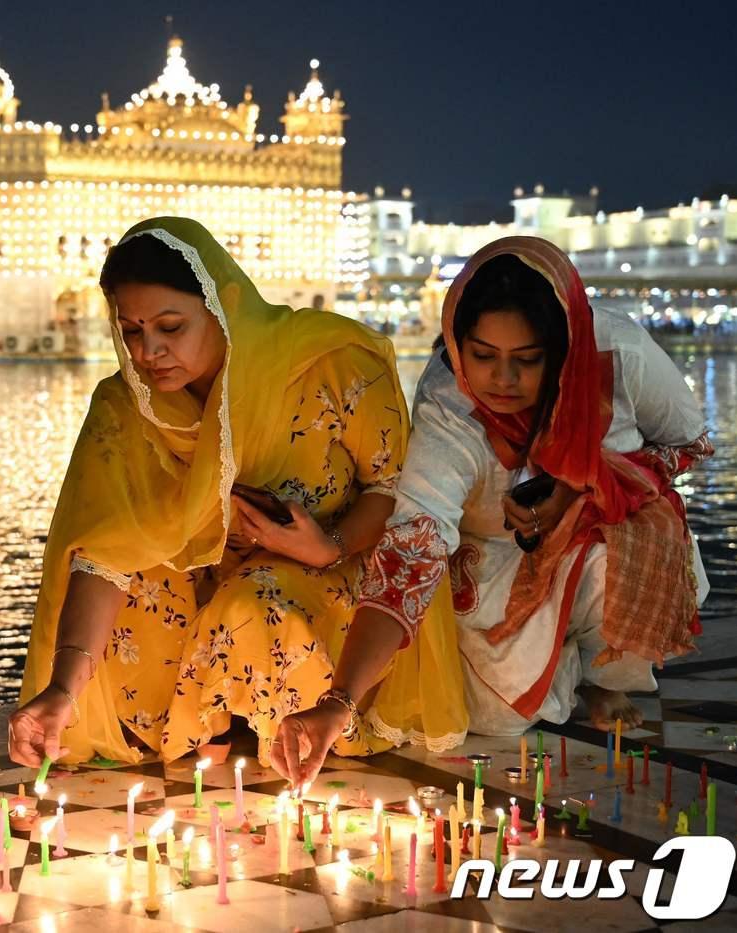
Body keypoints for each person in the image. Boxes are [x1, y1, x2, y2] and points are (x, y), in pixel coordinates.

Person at [8, 217, 466, 772]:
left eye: (170, 327)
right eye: (131, 331)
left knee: (254, 600)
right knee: (134, 578)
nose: (149, 351)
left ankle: (299, 723)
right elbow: (105, 551)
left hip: (329, 573)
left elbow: (395, 492)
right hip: (204, 580)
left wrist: (328, 544)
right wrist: (62, 687)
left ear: (221, 306)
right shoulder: (128, 405)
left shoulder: (330, 364)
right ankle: (199, 720)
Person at [272, 236, 712, 785]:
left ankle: (608, 675)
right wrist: (339, 701)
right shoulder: (450, 406)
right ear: (457, 345)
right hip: (495, 556)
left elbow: (689, 442)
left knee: (620, 546)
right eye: (482, 357)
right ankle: (559, 661)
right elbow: (415, 544)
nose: (502, 381)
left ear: (561, 350)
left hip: (605, 530)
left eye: (527, 361)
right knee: (493, 720)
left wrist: (584, 488)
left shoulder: (616, 355)